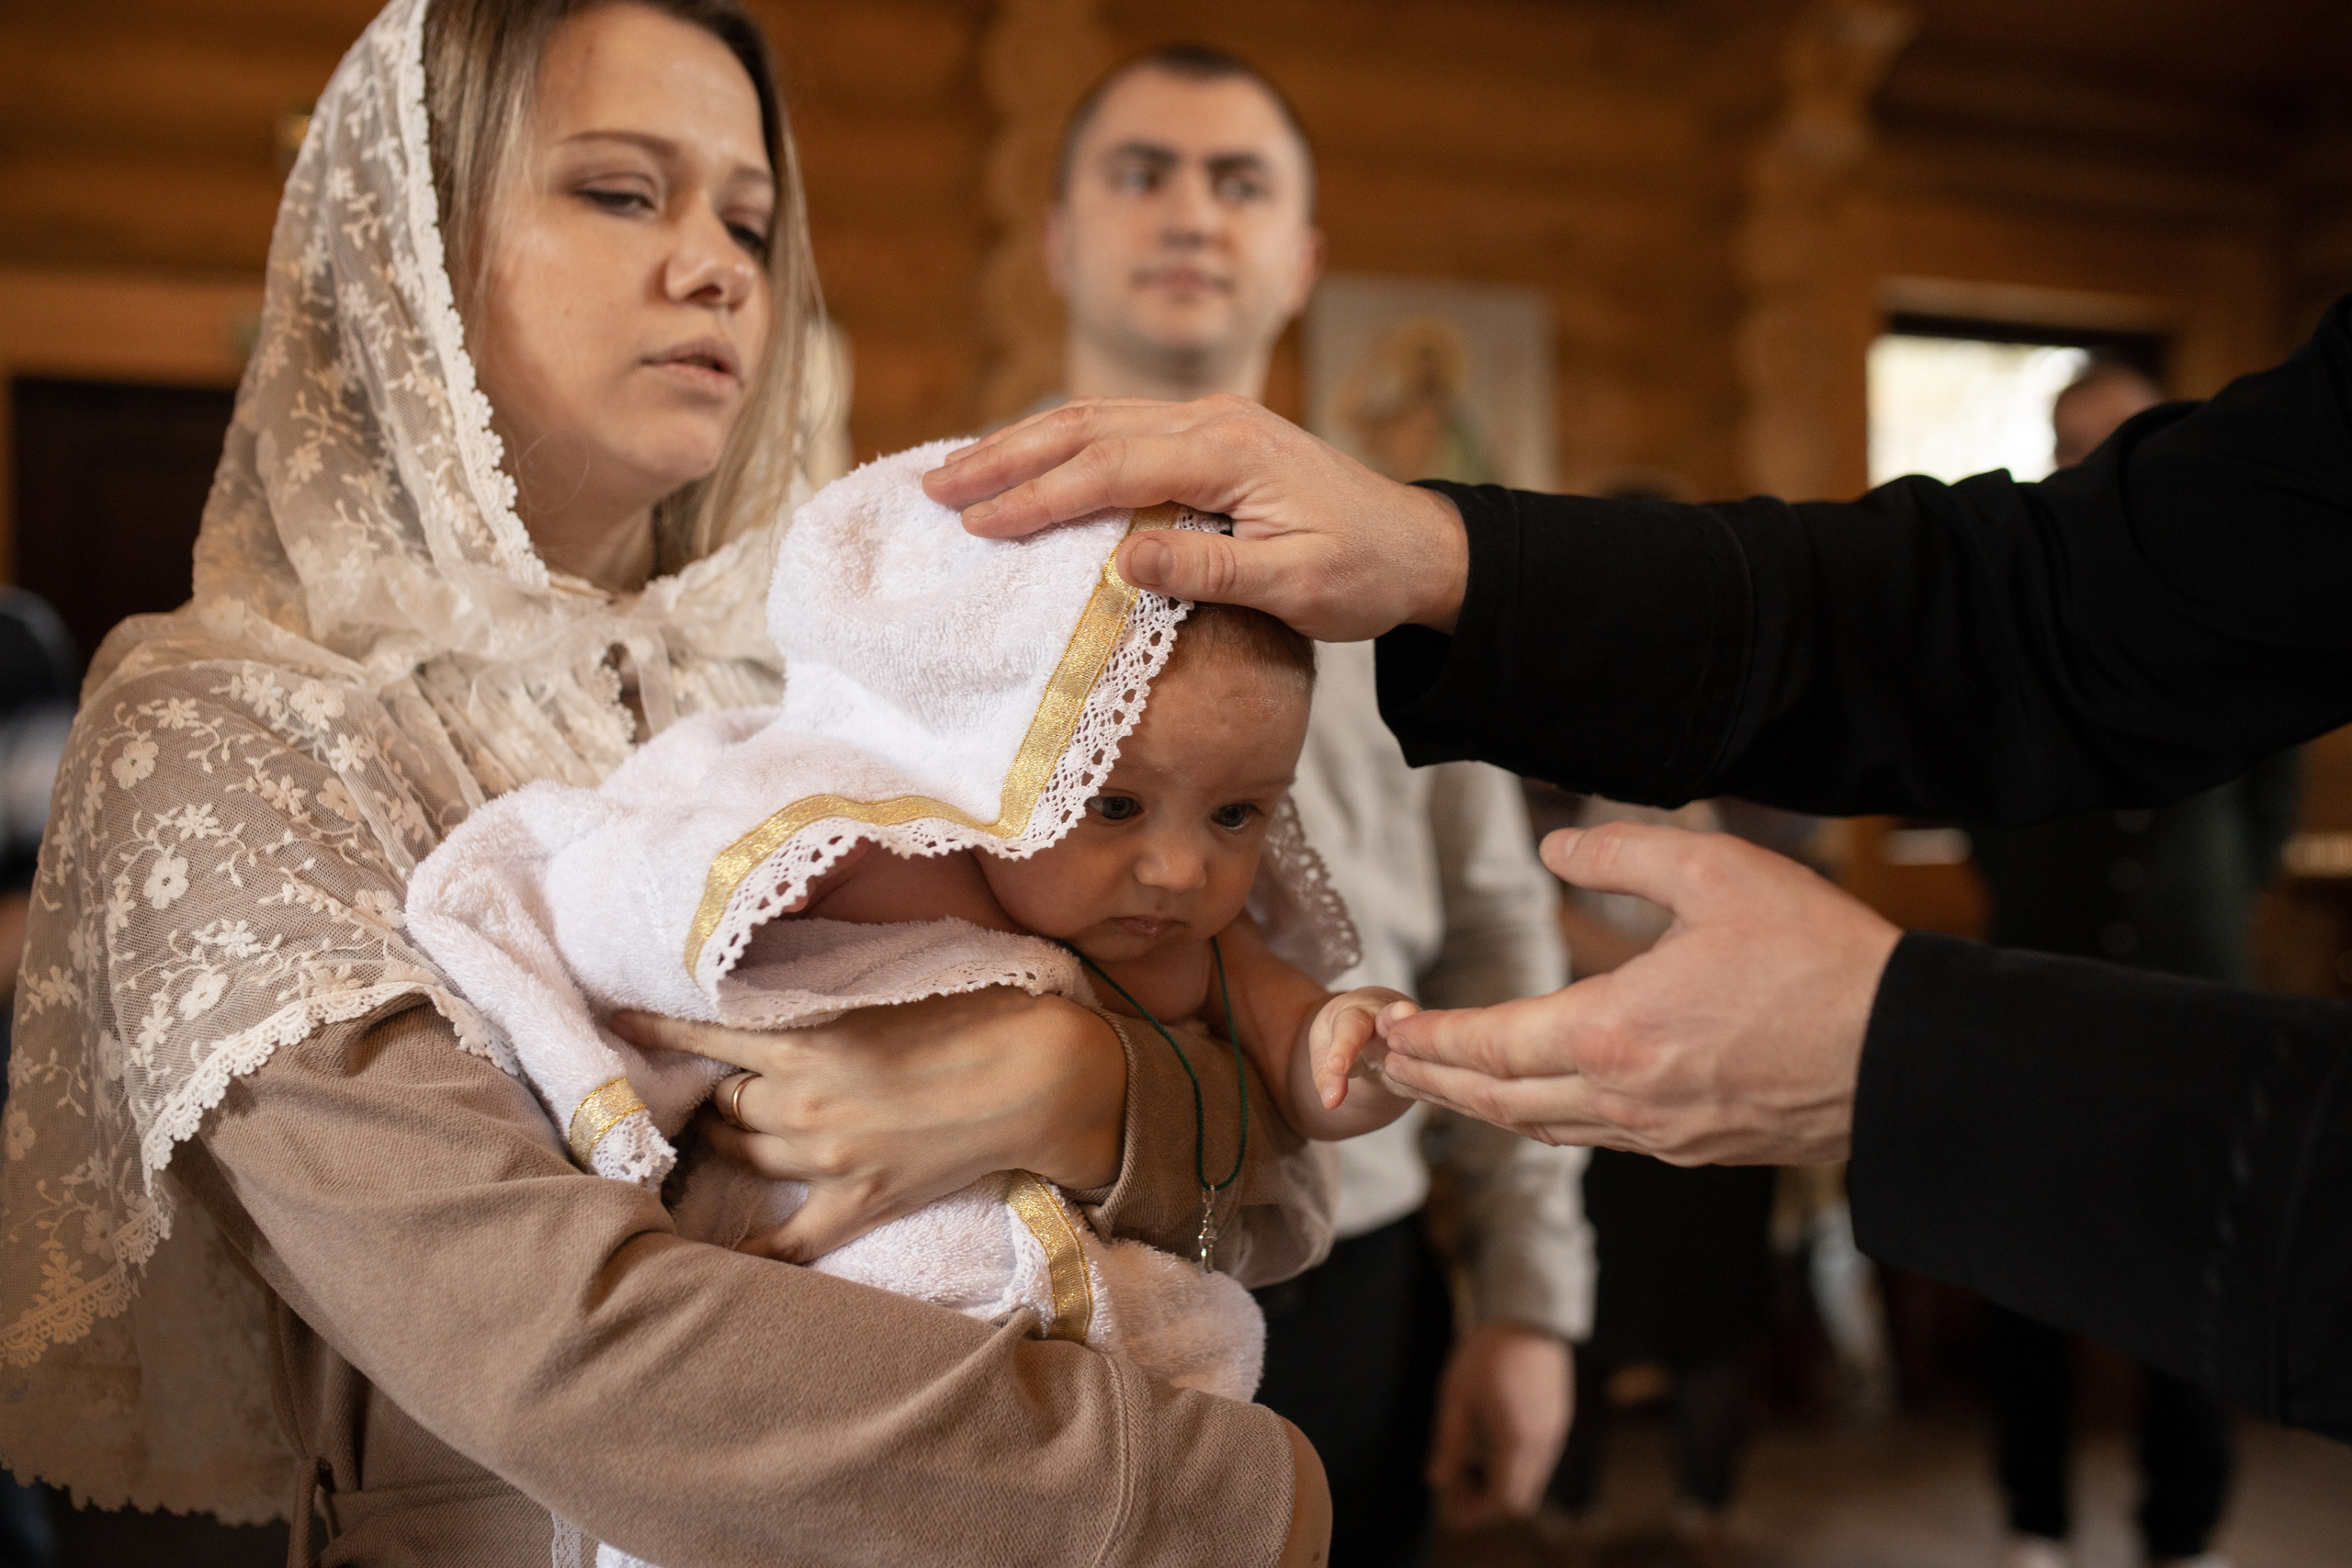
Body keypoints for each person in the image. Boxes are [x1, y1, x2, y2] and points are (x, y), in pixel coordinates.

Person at [0, 5, 1340, 1563]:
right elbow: (540, 1334)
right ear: (415, 246)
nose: (716, 265)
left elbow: (1283, 1195)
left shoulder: (828, 677)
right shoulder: (228, 719)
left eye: (750, 219)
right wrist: (1206, 1498)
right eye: (623, 192)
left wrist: (1081, 1089)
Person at [921, 291, 2352, 1445]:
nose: (1176, 863)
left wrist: (1334, 1055)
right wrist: (1447, 556)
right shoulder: (905, 825)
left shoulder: (1228, 923)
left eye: (1240, 816)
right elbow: (2037, 609)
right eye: (1113, 803)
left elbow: (1391, 986)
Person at [1037, 45, 1592, 1562]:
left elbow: (1494, 931)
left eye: (1240, 183)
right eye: (1141, 172)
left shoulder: (1412, 577)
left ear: (1303, 258)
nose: (1190, 214)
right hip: (1037, 1259)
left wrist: (1533, 1303)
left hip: (1359, 1253)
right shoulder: (946, 542)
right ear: (1063, 236)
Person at [1968, 357, 2283, 1568]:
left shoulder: (2242, 592)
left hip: (2194, 985)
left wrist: (2213, 905)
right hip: (2032, 986)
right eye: (2067, 443)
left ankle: (2184, 1533)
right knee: (2025, 1275)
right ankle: (2035, 1524)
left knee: (2187, 1279)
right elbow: (1979, 778)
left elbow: (2270, 789)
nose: (2085, 465)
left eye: (2111, 440)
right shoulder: (2009, 590)